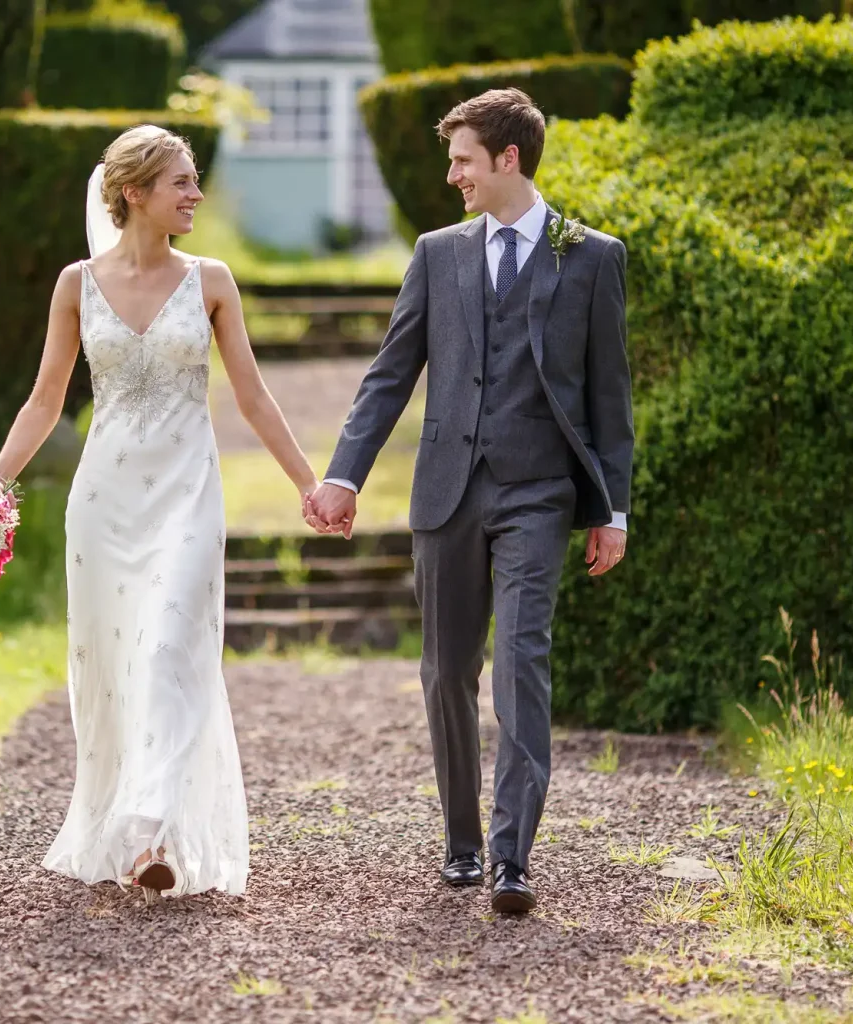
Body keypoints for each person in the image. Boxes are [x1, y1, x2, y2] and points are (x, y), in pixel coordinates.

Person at [304, 88, 634, 915]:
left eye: (461, 160)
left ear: (507, 160)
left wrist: (612, 510)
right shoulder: (438, 253)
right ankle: (462, 842)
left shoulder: (591, 256)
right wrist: (344, 473)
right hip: (447, 492)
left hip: (540, 493)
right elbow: (390, 373)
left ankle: (512, 857)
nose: (452, 174)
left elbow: (609, 397)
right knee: (448, 671)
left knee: (522, 662)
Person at [0, 125, 321, 900]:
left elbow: (253, 397)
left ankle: (150, 827)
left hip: (186, 497)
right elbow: (45, 400)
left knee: (169, 649)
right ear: (134, 193)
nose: (197, 195)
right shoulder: (76, 284)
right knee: (114, 667)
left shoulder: (212, 281)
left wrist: (307, 482)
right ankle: (139, 839)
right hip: (103, 504)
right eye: (182, 182)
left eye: (195, 181)